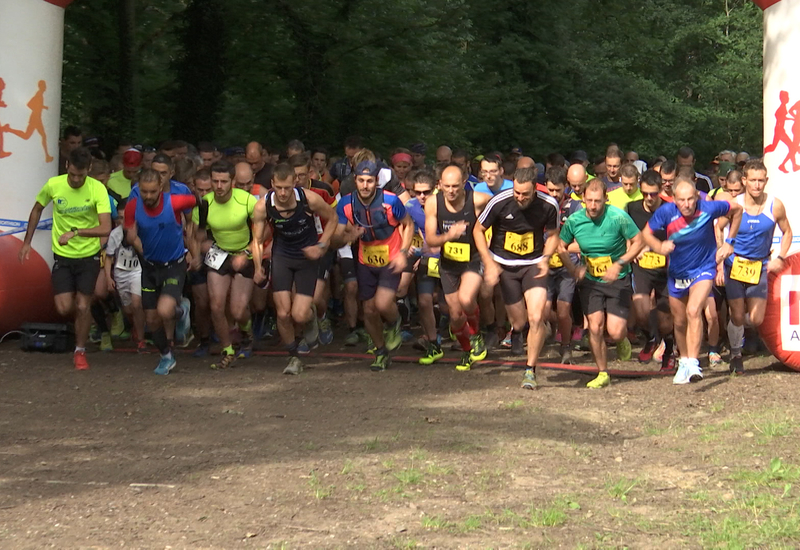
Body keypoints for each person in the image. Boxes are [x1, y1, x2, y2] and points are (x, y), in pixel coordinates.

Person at [643, 175, 742, 384]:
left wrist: (729, 242)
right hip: (677, 273)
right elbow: (646, 233)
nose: (686, 205)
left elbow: (737, 210)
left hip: (703, 269)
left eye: (690, 199)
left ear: (697, 196)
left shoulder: (708, 208)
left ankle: (694, 362)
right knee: (678, 322)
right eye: (681, 200)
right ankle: (685, 361)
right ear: (674, 199)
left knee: (693, 311)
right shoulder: (666, 212)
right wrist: (659, 247)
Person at [19, 147, 112, 369]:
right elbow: (36, 209)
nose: (77, 179)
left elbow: (106, 227)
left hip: (88, 255)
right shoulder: (54, 185)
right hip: (63, 256)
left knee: (82, 305)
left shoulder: (97, 189)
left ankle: (80, 350)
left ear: (88, 170)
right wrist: (27, 242)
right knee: (64, 308)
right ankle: (85, 321)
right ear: (67, 167)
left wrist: (76, 232)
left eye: (82, 175)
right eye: (73, 175)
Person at [475, 167, 560, 389]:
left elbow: (553, 236)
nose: (520, 197)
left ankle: (530, 370)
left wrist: (546, 257)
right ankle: (520, 332)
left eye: (525, 194)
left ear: (535, 189)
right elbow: (477, 230)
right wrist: (489, 262)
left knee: (535, 317)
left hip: (533, 265)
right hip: (505, 266)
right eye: (517, 192)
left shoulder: (549, 204)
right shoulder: (499, 201)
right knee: (519, 322)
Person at [251, 163, 337, 375]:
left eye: (287, 188)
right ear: (272, 184)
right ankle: (293, 356)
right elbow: (256, 240)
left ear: (294, 184)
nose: (282, 193)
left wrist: (321, 245)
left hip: (307, 256)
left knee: (299, 315)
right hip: (282, 255)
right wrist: (257, 267)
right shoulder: (263, 206)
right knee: (282, 313)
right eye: (278, 187)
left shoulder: (309, 199)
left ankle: (310, 315)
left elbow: (333, 218)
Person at [558, 179, 643, 388]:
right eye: (589, 201)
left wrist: (620, 263)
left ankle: (622, 339)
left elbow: (639, 241)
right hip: (590, 280)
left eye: (598, 201)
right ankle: (602, 372)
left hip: (618, 278)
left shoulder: (618, 217)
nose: (594, 206)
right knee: (595, 327)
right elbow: (560, 246)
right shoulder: (574, 221)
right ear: (583, 199)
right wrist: (573, 269)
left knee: (615, 331)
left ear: (606, 199)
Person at [336, 160, 414, 371]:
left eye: (370, 181)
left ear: (377, 181)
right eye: (361, 180)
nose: (365, 185)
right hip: (365, 259)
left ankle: (395, 321)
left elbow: (408, 225)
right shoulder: (345, 204)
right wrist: (348, 236)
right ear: (355, 181)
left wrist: (403, 253)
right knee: (369, 310)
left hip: (391, 257)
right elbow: (337, 236)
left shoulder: (391, 201)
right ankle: (381, 352)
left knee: (382, 304)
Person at [124, 169, 198, 374]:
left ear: (161, 189)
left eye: (152, 192)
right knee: (151, 319)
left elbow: (194, 201)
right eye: (144, 192)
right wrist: (139, 246)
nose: (148, 196)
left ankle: (181, 310)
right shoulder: (132, 206)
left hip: (174, 264)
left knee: (165, 310)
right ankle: (166, 356)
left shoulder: (175, 202)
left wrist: (189, 227)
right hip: (149, 267)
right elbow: (131, 234)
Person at [723, 159, 792, 374]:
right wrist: (723, 249)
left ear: (766, 181)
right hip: (734, 264)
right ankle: (735, 354)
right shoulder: (735, 205)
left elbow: (787, 231)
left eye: (761, 180)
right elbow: (718, 228)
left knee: (755, 319)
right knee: (736, 315)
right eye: (752, 180)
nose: (757, 185)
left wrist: (780, 257)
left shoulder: (775, 205)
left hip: (759, 266)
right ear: (744, 180)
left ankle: (735, 329)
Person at [425, 164, 492, 371]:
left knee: (466, 299)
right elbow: (430, 240)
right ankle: (466, 351)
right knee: (454, 316)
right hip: (448, 262)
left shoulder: (478, 199)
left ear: (464, 183)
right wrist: (449, 235)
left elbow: (499, 208)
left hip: (472, 258)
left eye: (456, 186)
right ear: (440, 185)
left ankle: (476, 334)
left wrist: (490, 243)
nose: (451, 191)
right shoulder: (433, 203)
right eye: (447, 186)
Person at [193, 161, 259, 369]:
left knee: (238, 311)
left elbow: (261, 234)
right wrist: (198, 250)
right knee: (216, 305)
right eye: (215, 181)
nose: (219, 186)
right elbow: (198, 234)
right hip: (219, 255)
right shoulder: (205, 203)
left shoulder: (247, 201)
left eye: (224, 181)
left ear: (232, 182)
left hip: (243, 254)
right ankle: (227, 349)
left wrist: (247, 253)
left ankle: (247, 332)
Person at [625, 170, 674, 370]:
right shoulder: (631, 208)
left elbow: (678, 237)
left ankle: (669, 350)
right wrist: (631, 249)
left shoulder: (671, 210)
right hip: (642, 266)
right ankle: (650, 338)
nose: (649, 198)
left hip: (666, 269)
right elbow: (627, 234)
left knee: (665, 319)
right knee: (642, 312)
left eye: (653, 194)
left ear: (661, 190)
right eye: (645, 193)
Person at [544, 166, 582, 364]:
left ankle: (566, 347)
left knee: (564, 309)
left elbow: (583, 241)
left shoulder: (576, 208)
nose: (554, 194)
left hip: (568, 266)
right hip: (544, 265)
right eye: (550, 190)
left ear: (565, 187)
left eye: (558, 190)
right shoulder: (540, 205)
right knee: (542, 309)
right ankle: (553, 325)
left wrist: (563, 246)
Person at [405, 170, 443, 364]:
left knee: (452, 305)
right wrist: (408, 245)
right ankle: (433, 343)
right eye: (417, 192)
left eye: (426, 192)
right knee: (424, 302)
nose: (421, 196)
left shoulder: (446, 205)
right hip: (428, 259)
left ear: (435, 189)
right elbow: (403, 228)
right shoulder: (410, 207)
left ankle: (467, 338)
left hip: (450, 259)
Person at [105, 221, 146, 353]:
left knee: (136, 304)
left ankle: (141, 339)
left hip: (136, 270)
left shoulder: (141, 230)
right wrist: (108, 277)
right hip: (121, 273)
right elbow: (109, 257)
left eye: (126, 218)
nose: (123, 221)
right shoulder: (114, 234)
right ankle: (135, 326)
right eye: (121, 217)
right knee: (128, 309)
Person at [188, 170, 214, 357]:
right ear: (193, 188)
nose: (204, 194)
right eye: (200, 189)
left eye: (208, 189)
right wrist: (196, 255)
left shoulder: (222, 205)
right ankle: (204, 339)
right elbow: (192, 235)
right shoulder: (191, 208)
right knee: (202, 301)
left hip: (220, 255)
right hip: (198, 257)